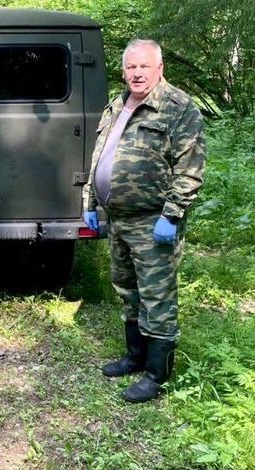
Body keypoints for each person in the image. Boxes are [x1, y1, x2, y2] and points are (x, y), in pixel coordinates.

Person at [82, 39, 205, 403]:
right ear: (124, 71)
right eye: (131, 67)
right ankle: (134, 357)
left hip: (153, 222)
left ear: (159, 68)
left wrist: (172, 214)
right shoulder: (117, 105)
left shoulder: (178, 108)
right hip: (118, 220)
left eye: (144, 66)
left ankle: (156, 375)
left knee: (157, 297)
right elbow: (99, 156)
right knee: (128, 290)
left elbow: (190, 169)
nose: (137, 73)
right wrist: (90, 200)